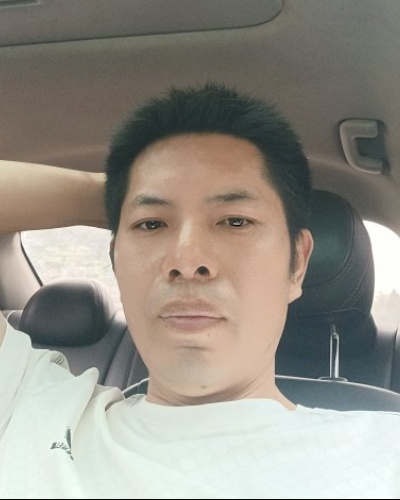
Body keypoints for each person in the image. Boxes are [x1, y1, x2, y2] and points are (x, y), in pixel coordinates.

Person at [0, 83, 399, 499]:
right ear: (116, 260)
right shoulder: (27, 405)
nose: (187, 260)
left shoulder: (385, 454)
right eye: (151, 225)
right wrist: (115, 195)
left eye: (235, 221)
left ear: (297, 263)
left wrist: (150, 202)